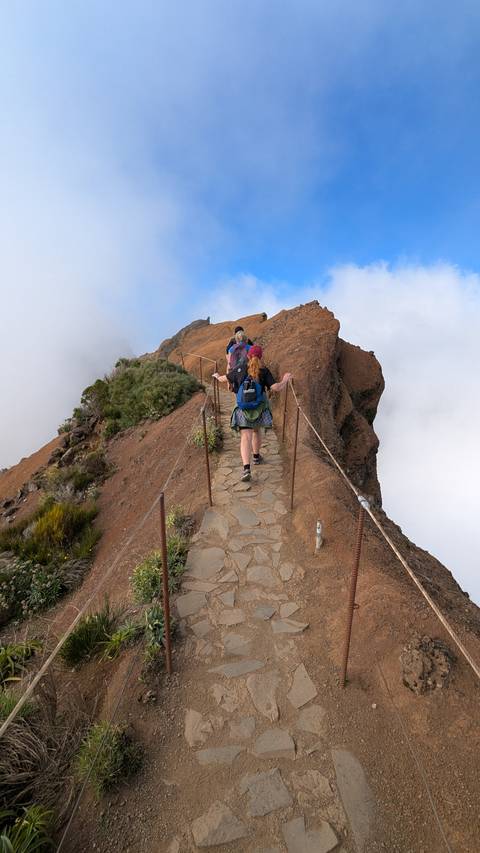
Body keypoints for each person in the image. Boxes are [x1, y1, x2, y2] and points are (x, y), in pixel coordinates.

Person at [214, 345, 292, 481]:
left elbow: (223, 379)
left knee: (246, 436)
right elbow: (276, 388)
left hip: (243, 408)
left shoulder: (240, 368)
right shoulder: (264, 371)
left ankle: (246, 469)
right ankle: (256, 457)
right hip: (259, 408)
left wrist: (216, 376)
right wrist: (285, 379)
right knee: (256, 431)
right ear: (260, 357)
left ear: (248, 356)